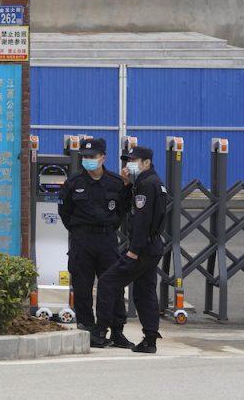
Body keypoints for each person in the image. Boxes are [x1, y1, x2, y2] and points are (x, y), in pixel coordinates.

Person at [92, 145, 169, 354]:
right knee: (145, 292)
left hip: (142, 249)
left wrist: (134, 250)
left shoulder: (146, 185)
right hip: (152, 246)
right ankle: (150, 339)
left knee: (108, 282)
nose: (129, 164)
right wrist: (127, 184)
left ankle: (100, 332)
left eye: (134, 161)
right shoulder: (152, 182)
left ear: (146, 163)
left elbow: (142, 220)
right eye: (128, 160)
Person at [57, 137, 133, 348]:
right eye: (85, 157)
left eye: (93, 157)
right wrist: (78, 231)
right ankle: (88, 330)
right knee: (82, 286)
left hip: (107, 240)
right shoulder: (74, 183)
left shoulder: (116, 183)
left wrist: (109, 227)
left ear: (103, 158)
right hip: (82, 241)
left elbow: (123, 210)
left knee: (113, 286)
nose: (88, 160)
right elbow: (64, 212)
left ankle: (116, 330)